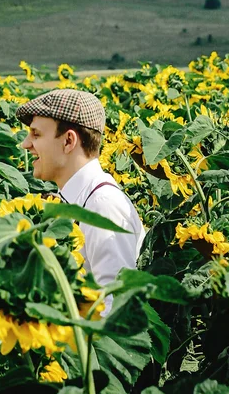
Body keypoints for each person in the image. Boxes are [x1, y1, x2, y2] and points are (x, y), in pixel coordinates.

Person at [16, 89, 145, 309]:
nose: (25, 144)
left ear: (68, 141)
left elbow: (115, 309)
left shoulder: (101, 206)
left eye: (36, 135)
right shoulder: (78, 199)